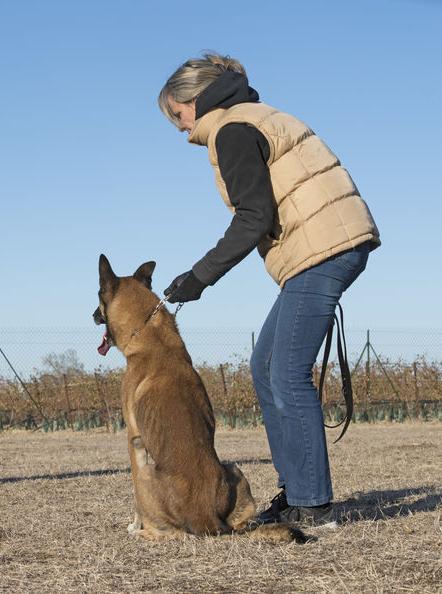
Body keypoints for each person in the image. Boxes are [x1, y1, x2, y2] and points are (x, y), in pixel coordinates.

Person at [158, 53, 380, 525]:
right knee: (266, 366)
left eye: (176, 115)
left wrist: (198, 277)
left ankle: (312, 504)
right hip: (327, 244)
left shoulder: (232, 129)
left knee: (287, 373)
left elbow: (254, 217)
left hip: (322, 248)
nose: (179, 128)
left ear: (195, 100)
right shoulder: (252, 115)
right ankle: (295, 491)